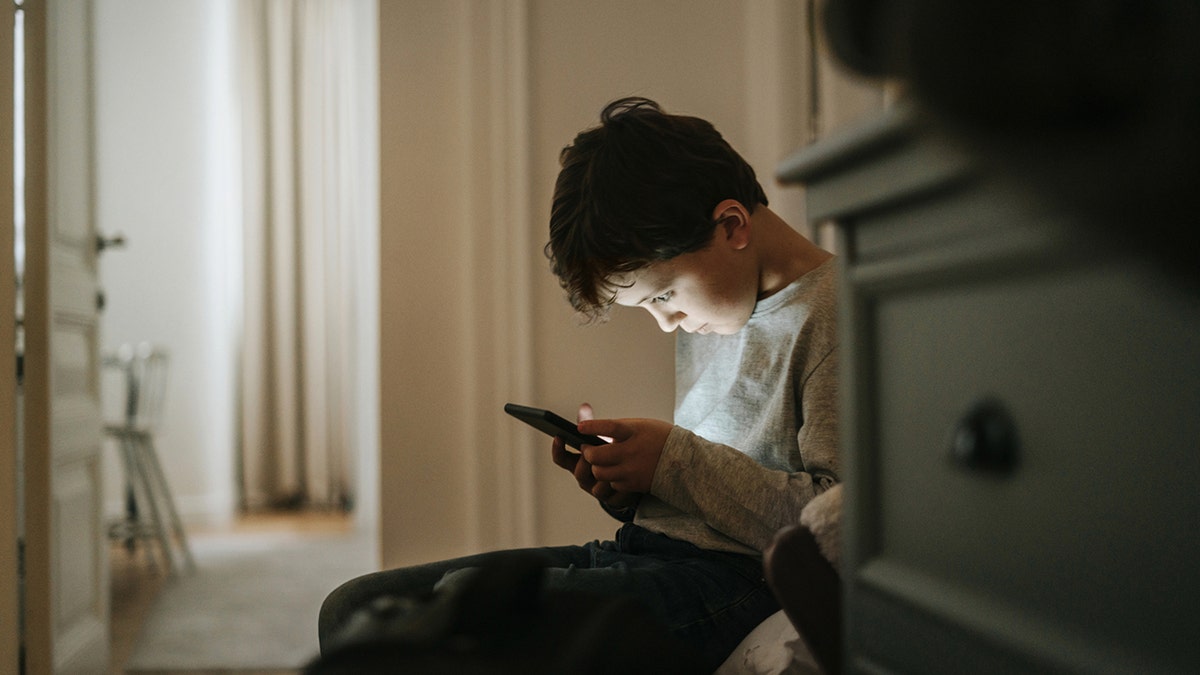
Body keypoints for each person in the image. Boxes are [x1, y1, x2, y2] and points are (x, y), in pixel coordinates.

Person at [317, 97, 839, 672]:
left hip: (734, 579)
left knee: (462, 612)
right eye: (648, 305)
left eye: (663, 296)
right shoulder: (721, 305)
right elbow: (706, 492)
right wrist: (633, 487)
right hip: (646, 553)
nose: (666, 322)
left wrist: (674, 460)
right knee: (354, 609)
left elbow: (835, 523)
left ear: (732, 226)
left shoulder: (838, 315)